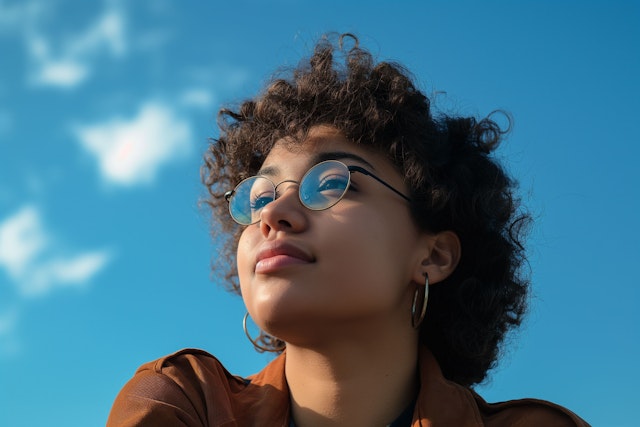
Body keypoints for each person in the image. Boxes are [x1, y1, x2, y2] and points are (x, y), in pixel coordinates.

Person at [107, 34, 590, 426]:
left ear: (434, 256)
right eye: (260, 197)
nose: (275, 215)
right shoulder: (184, 403)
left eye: (334, 184)